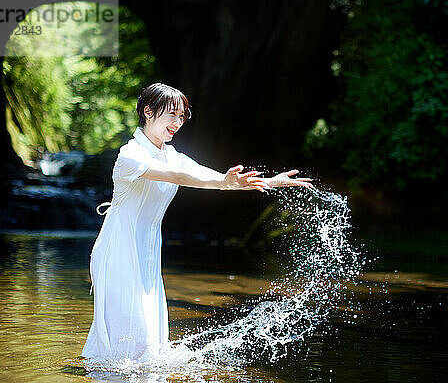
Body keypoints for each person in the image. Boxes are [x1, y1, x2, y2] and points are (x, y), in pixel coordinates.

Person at [81, 83, 313, 362]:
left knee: (149, 340)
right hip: (119, 250)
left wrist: (270, 182)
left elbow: (215, 179)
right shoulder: (130, 155)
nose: (177, 123)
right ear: (148, 111)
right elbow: (182, 177)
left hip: (147, 252)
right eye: (172, 115)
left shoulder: (172, 155)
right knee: (128, 336)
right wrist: (223, 180)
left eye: (182, 116)